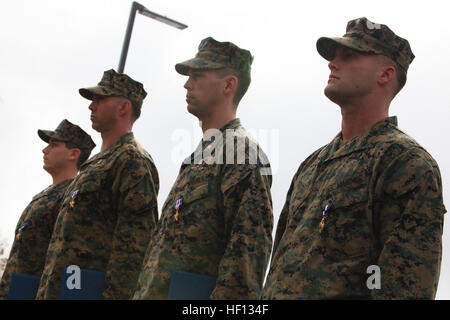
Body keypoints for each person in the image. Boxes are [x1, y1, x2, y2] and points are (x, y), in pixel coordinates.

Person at [262, 17, 446, 299]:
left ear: (384, 74)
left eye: (349, 56)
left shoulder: (404, 163)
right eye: (334, 57)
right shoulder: (312, 166)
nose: (333, 64)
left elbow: (404, 289)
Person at [133, 37, 273, 300]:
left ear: (229, 85)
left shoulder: (242, 154)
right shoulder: (200, 157)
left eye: (197, 75)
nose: (187, 83)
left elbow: (244, 264)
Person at [36, 70, 159, 300]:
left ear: (123, 108)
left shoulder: (132, 160)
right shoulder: (94, 165)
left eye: (100, 99)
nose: (92, 106)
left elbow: (134, 250)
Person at [0, 120, 95, 299]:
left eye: (54, 145)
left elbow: (69, 258)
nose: (45, 150)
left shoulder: (72, 197)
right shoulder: (44, 196)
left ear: (73, 154)